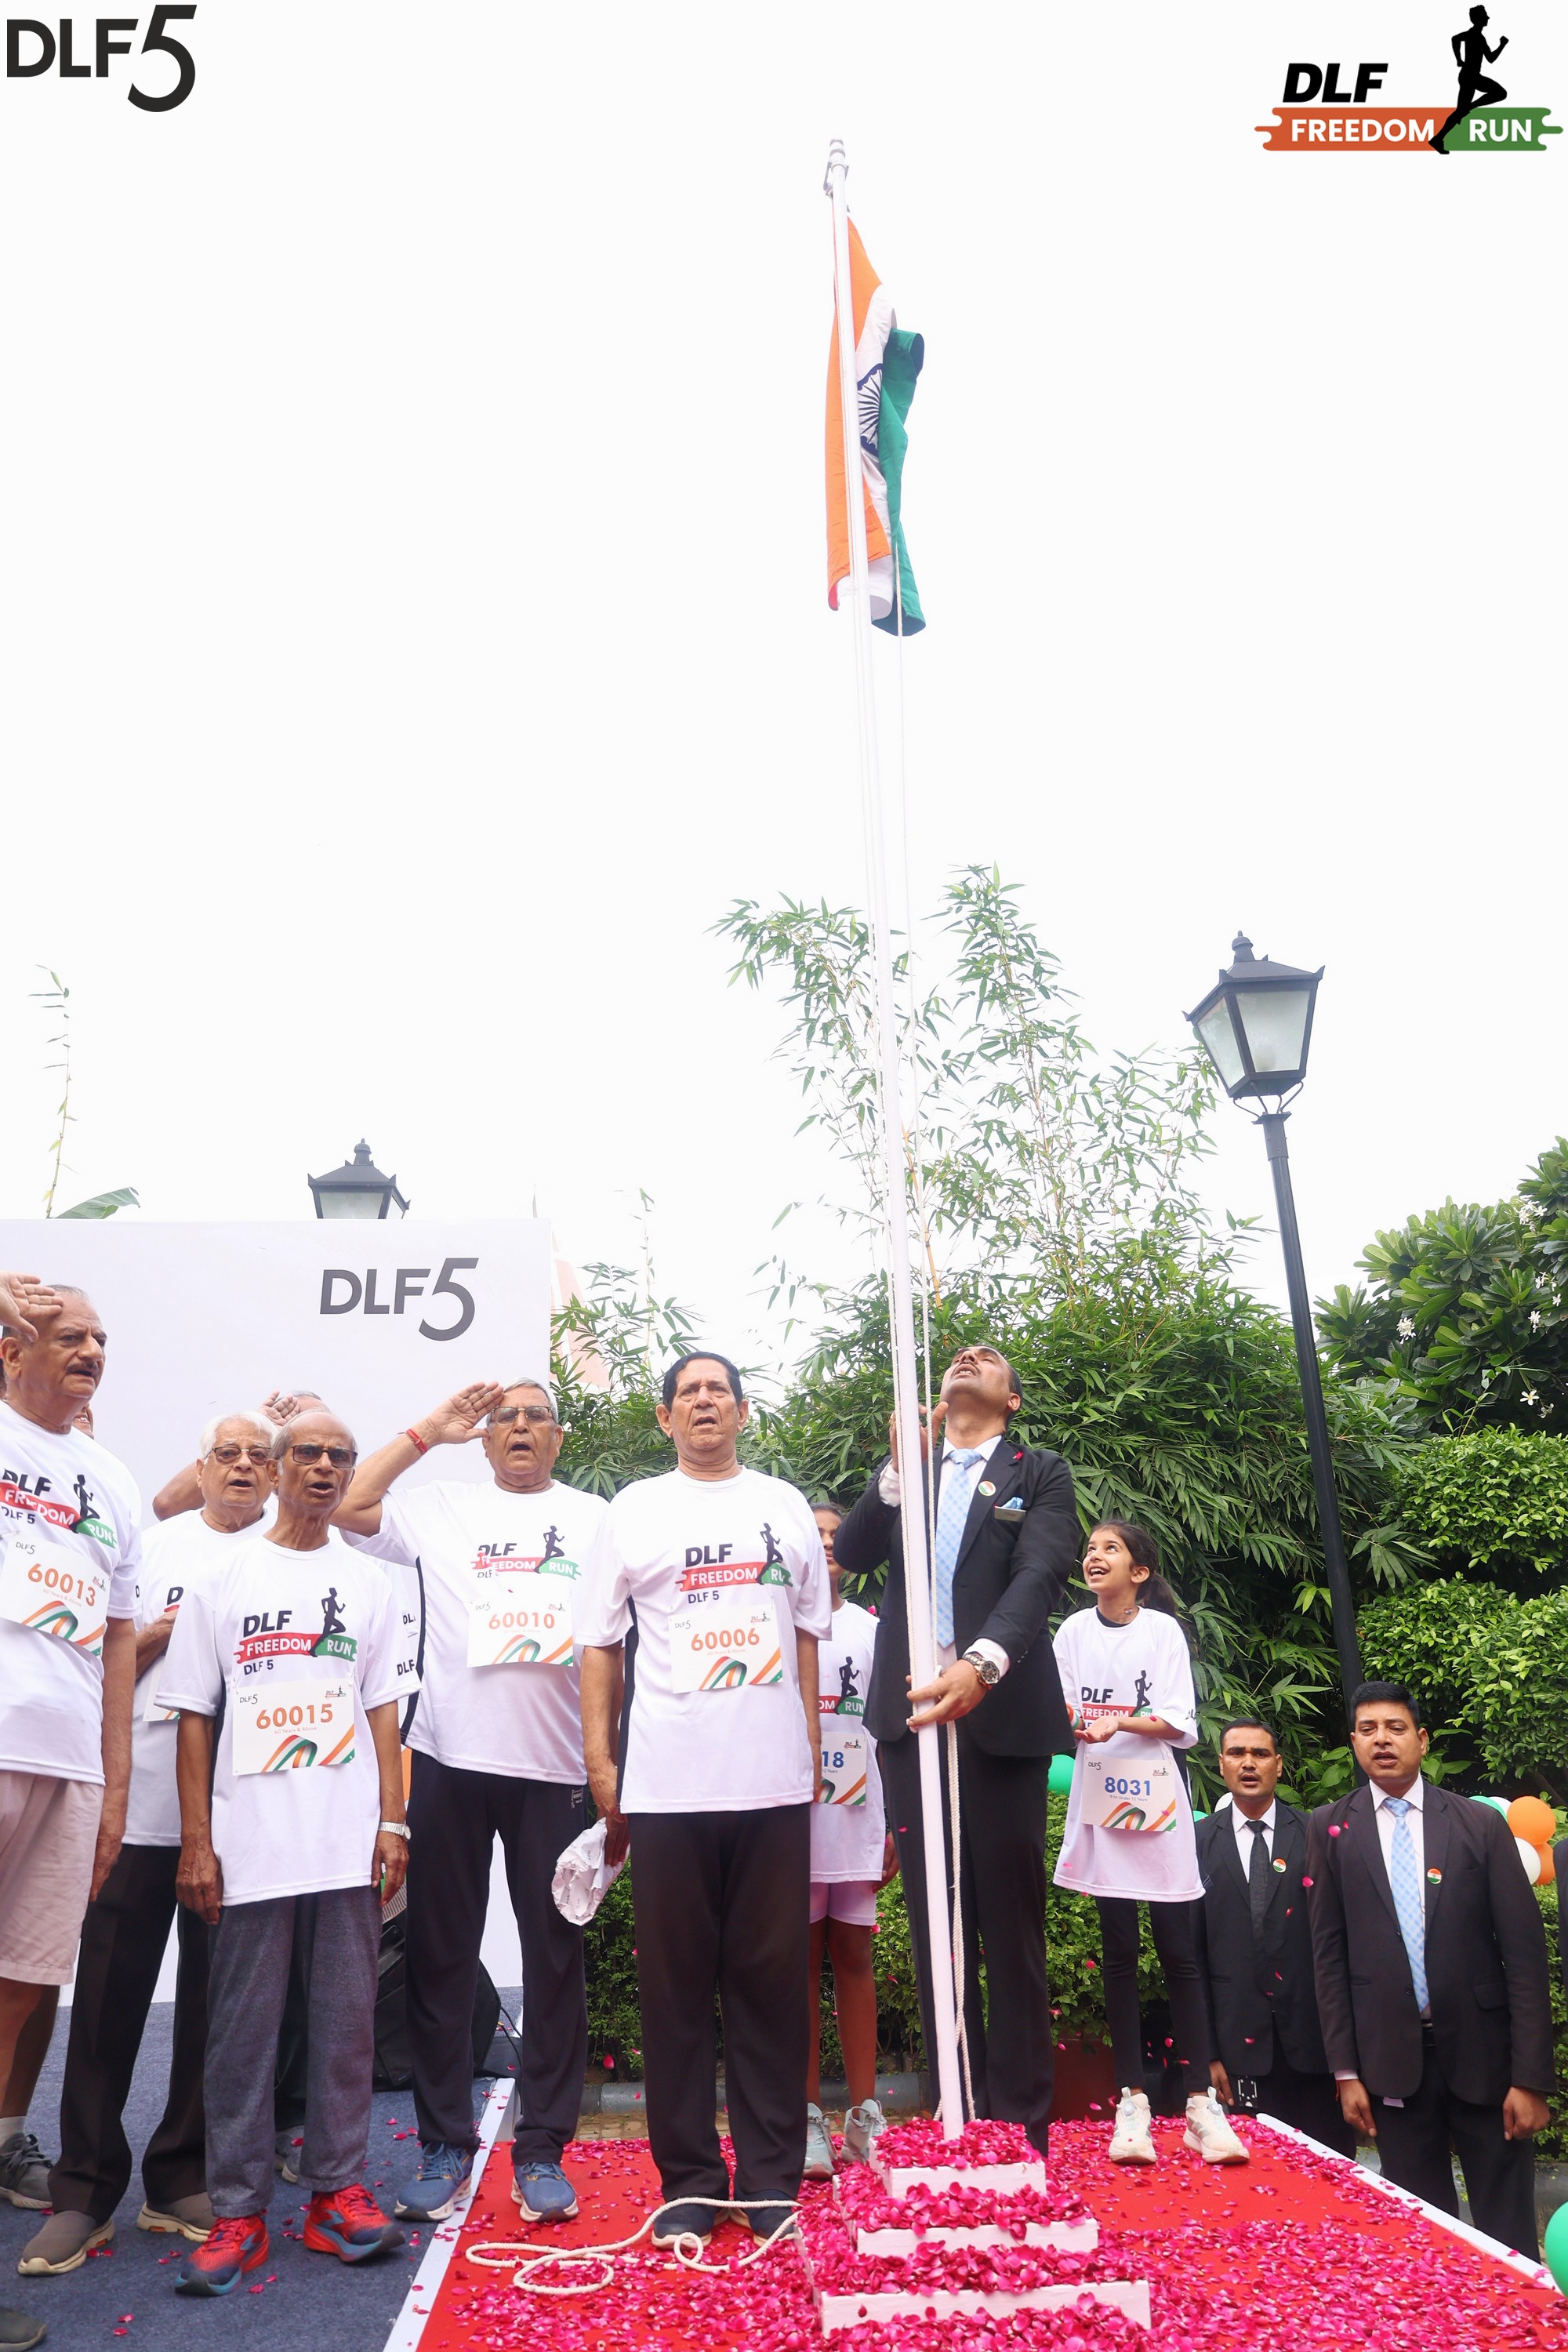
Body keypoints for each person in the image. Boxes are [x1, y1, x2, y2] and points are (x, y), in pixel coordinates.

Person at [335, 1377, 608, 2224]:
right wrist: (428, 1430)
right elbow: (349, 1503)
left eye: (536, 1417)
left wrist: (611, 1767)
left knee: (554, 1961)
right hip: (450, 1761)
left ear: (558, 1437)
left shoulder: (598, 1518)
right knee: (440, 1956)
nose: (520, 1428)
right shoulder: (442, 1507)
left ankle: (542, 2149)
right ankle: (444, 2143)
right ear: (485, 1438)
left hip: (556, 1770)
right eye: (504, 1419)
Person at [578, 1352, 830, 2248]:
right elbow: (599, 1645)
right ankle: (687, 2181)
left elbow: (807, 1635)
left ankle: (767, 2182)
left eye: (718, 1389)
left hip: (770, 1786)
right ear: (665, 1419)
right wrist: (600, 1761)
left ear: (743, 1410)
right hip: (668, 1785)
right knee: (675, 1991)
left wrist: (808, 1748)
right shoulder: (633, 1510)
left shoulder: (784, 1506)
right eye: (687, 1392)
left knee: (771, 1988)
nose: (704, 1402)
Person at [158, 1411, 409, 2296]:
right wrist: (198, 1842)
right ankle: (237, 2210)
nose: (326, 1467)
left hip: (345, 1846)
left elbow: (383, 1710)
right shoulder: (222, 1578)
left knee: (346, 2028)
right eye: (308, 1453)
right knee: (241, 2036)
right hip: (250, 1848)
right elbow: (194, 1715)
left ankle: (336, 2193)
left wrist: (393, 1824)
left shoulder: (370, 1583)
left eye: (341, 1457)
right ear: (273, 1468)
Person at [19, 1413, 276, 2276]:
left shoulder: (289, 1561)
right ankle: (84, 2192)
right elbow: (85, 1649)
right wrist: (164, 1637)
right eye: (226, 1454)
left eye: (258, 1457)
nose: (242, 1467)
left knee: (215, 2011)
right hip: (137, 1814)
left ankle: (179, 2177)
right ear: (198, 1469)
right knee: (103, 2007)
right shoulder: (151, 1545)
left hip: (240, 1822)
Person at [831, 1342, 1077, 2155]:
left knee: (1009, 1925)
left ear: (1012, 1400)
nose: (969, 1356)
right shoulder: (914, 1472)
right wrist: (895, 1474)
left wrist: (982, 1665)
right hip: (912, 1721)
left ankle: (1022, 2127)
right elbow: (853, 1553)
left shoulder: (1038, 1472)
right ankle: (954, 2113)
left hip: (998, 1715)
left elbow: (1038, 1575)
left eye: (990, 1357)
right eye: (961, 1354)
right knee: (935, 1926)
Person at [0, 1280, 140, 2342]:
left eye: (99, 1338)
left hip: (69, 1763)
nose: (89, 1349)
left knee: (19, 1986)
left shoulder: (112, 1479)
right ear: (13, 1348)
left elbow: (121, 1641)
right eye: (66, 1335)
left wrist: (114, 1787)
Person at [1308, 1681, 1553, 2256]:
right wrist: (1346, 2071)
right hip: (1390, 2063)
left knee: (1508, 2235)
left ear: (1421, 1740)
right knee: (1424, 2242)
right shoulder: (1330, 1828)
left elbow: (1524, 1958)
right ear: (1353, 1743)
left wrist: (1531, 2078)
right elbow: (1328, 1956)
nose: (1382, 1740)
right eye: (1368, 1730)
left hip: (1487, 2061)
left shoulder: (1477, 1824)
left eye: (1395, 1728)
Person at [1053, 1520, 1247, 2167]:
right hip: (1101, 1801)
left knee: (1178, 1953)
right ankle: (1130, 2100)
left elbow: (1178, 1719)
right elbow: (1063, 1710)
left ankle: (1198, 2104)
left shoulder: (1162, 1631)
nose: (1094, 1556)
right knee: (1118, 1952)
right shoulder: (1071, 1633)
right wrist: (1077, 1724)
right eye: (1090, 1548)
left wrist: (1118, 1722)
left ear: (1139, 1572)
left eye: (1110, 1548)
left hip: (1158, 1800)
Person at [1192, 1718, 1355, 2158]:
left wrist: (1347, 2060)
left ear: (1278, 1765)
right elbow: (1190, 1958)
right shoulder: (1195, 1842)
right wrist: (1206, 2053)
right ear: (1221, 1764)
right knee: (1252, 2180)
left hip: (1316, 2049)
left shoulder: (1316, 1835)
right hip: (1235, 2049)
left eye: (1260, 1754)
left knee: (1329, 2173)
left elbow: (1342, 1945)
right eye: (1237, 1753)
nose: (1249, 1763)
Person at [804, 1501, 897, 2180]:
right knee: (800, 1965)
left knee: (853, 1954)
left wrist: (897, 1825)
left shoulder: (873, 1630)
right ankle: (807, 2117)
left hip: (859, 1815)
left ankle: (865, 2115)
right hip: (795, 1818)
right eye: (816, 1535)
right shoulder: (779, 1625)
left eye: (838, 1534)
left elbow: (891, 1732)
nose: (829, 1544)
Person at [152, 1393, 325, 1521]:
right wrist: (259, 1430)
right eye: (297, 1423)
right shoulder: (256, 1484)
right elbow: (167, 1507)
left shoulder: (332, 1491)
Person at [1432, 5, 1508, 150]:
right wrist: (1502, 45)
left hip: (1470, 76)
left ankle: (1438, 139)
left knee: (1460, 111)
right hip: (1470, 77)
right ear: (1478, 18)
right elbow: (1490, 58)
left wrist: (1459, 59)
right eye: (1485, 15)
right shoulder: (1474, 35)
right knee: (1500, 93)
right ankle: (1470, 107)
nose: (1488, 18)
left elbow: (1457, 39)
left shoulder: (1477, 36)